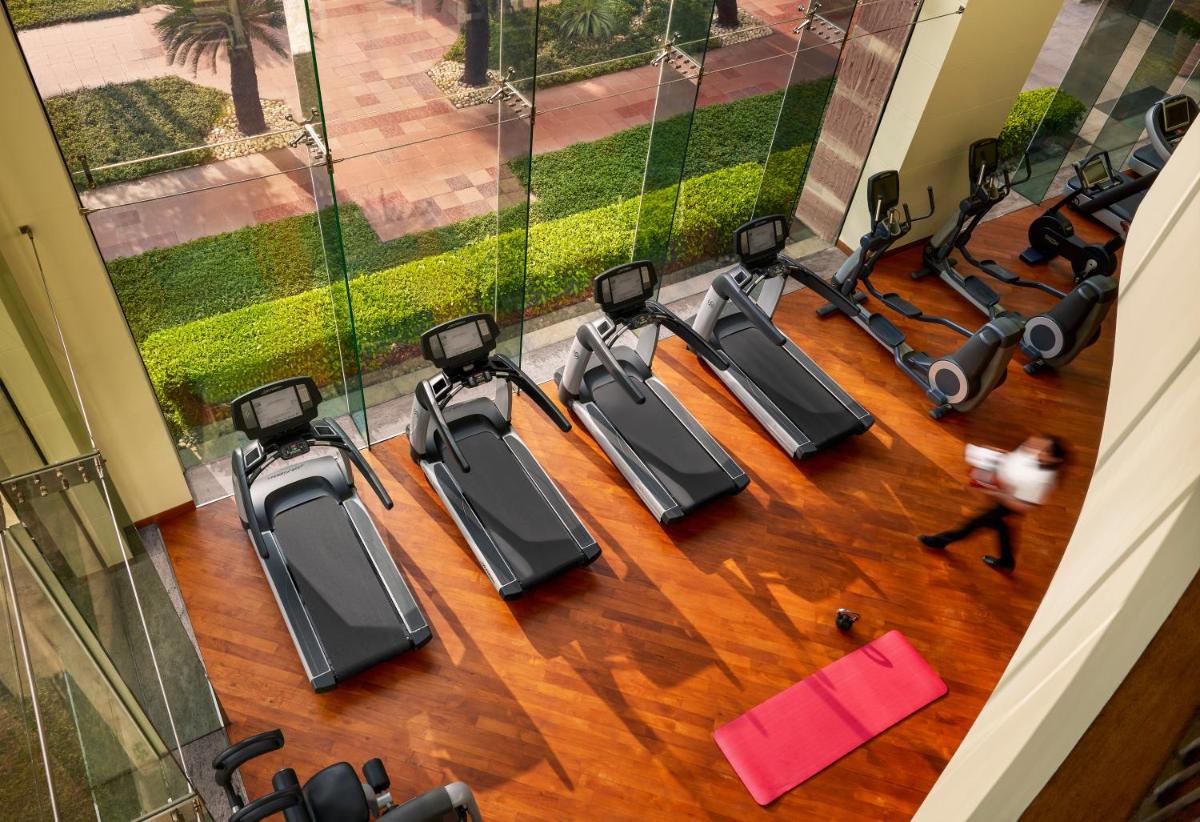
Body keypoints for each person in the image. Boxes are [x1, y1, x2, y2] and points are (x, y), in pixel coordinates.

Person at [918, 434, 1067, 571]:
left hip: (1007, 505)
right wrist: (997, 455)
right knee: (1002, 529)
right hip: (1003, 492)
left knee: (973, 524)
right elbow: (1015, 459)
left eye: (1046, 452)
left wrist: (998, 490)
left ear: (1055, 459)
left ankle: (938, 542)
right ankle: (1007, 562)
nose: (1041, 451)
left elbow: (1023, 506)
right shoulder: (1039, 458)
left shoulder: (1043, 480)